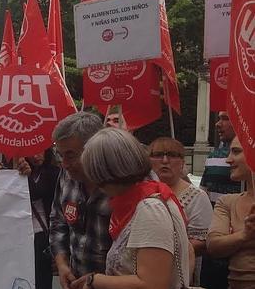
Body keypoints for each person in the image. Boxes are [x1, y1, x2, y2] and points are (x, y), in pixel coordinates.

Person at [73, 128, 190, 289]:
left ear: (102, 173)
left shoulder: (150, 209)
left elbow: (153, 283)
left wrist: (96, 280)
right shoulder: (137, 201)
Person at [43, 112, 112, 289]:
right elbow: (58, 222)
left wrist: (102, 282)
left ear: (94, 148)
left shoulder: (123, 181)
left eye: (71, 155)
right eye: (60, 155)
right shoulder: (66, 176)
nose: (64, 164)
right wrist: (62, 264)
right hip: (76, 282)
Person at [149, 137, 213, 286]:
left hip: (180, 274)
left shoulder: (197, 197)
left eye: (172, 155)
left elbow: (203, 242)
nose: (165, 160)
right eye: (158, 155)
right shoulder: (140, 192)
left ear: (182, 162)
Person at [206, 136, 255, 289]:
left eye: (236, 152)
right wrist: (244, 235)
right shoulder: (227, 202)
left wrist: (233, 239)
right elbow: (213, 247)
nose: (228, 160)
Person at [199, 111, 241, 288]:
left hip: (242, 251)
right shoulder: (213, 156)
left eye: (225, 118)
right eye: (219, 118)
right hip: (215, 246)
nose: (217, 124)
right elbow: (204, 194)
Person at [25, 149, 61, 289]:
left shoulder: (54, 172)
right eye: (32, 152)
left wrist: (26, 177)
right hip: (23, 233)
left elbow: (38, 192)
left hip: (43, 234)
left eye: (40, 151)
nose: (35, 155)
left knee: (42, 279)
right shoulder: (17, 171)